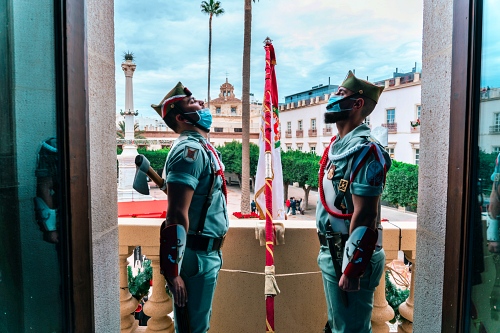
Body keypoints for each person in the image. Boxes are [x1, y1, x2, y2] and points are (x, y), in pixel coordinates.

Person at [316, 71, 391, 333]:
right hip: (334, 253)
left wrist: (352, 268)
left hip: (350, 256)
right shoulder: (338, 146)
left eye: (340, 94)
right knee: (340, 326)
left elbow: (366, 214)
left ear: (358, 104)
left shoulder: (367, 150)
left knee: (351, 330)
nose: (332, 98)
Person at [151, 82, 229, 333]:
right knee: (193, 329)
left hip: (204, 253)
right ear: (182, 117)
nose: (202, 104)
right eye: (193, 102)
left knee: (197, 326)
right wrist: (172, 272)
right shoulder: (189, 150)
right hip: (196, 256)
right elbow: (175, 213)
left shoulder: (199, 146)